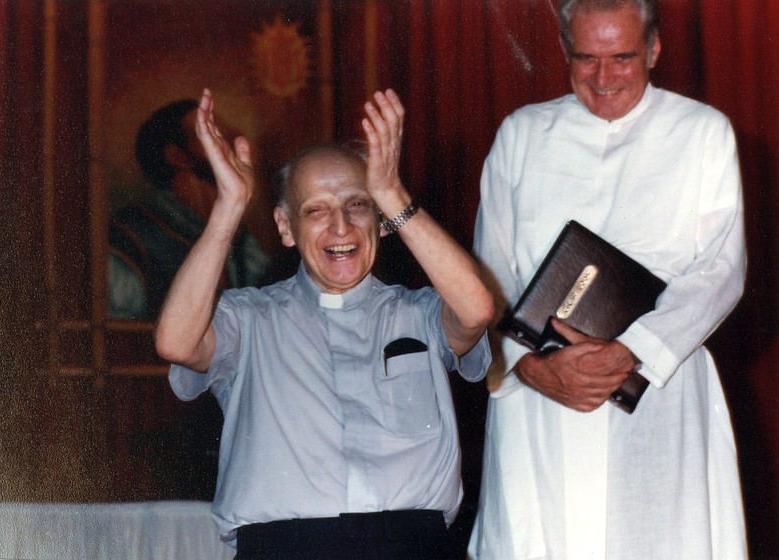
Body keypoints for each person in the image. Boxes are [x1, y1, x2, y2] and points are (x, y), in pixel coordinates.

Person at [156, 87, 494, 559]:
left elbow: (477, 310)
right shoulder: (247, 319)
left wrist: (391, 193)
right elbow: (175, 342)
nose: (340, 228)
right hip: (285, 548)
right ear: (285, 227)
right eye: (315, 210)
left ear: (381, 221)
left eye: (357, 205)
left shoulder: (417, 311)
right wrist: (229, 205)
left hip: (413, 546)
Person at [468, 0, 747, 558]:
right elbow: (486, 274)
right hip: (542, 397)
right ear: (565, 51)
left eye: (622, 57)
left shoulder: (701, 133)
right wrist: (530, 368)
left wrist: (629, 352)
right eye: (585, 59)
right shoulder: (522, 134)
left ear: (654, 49)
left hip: (654, 390)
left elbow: (720, 270)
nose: (603, 78)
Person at [108, 99, 273, 319]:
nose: (233, 136)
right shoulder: (130, 234)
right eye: (211, 132)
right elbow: (121, 335)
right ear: (177, 156)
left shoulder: (242, 238)